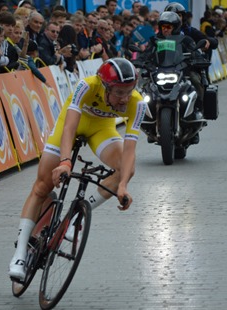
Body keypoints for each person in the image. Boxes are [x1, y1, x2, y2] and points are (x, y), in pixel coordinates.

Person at [8, 58, 147, 281]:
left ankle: (77, 218)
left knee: (127, 170)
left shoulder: (138, 104)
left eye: (129, 91)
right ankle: (20, 252)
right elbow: (70, 127)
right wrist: (65, 161)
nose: (125, 98)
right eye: (119, 92)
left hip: (102, 130)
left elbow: (130, 149)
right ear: (105, 87)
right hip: (71, 125)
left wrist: (122, 186)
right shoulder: (87, 85)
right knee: (42, 186)